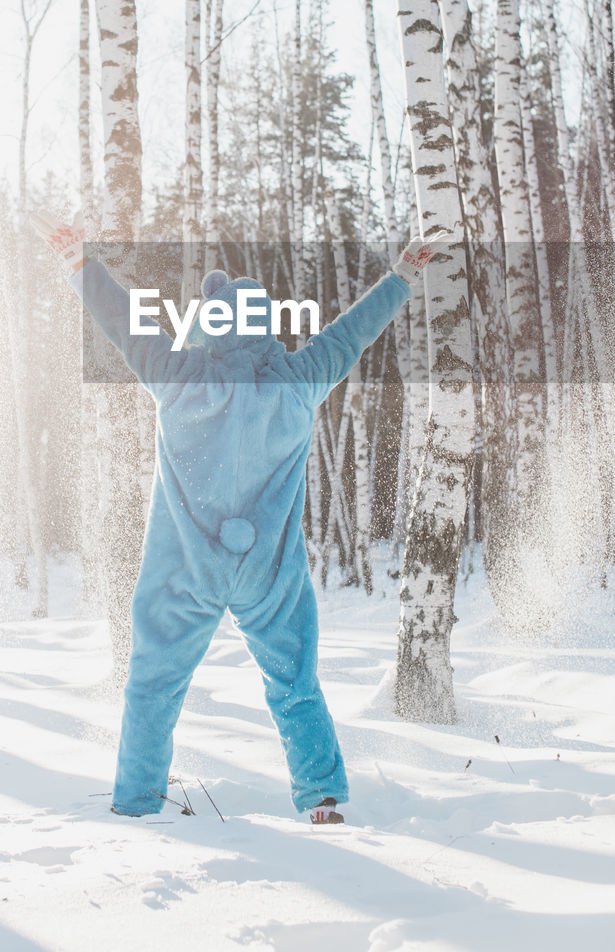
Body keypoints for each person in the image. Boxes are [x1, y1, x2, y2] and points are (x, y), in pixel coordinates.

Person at [32, 211, 444, 822]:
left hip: (184, 569)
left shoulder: (175, 375)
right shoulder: (298, 380)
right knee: (294, 683)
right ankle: (323, 798)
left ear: (206, 324)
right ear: (266, 327)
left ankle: (137, 805)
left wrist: (79, 264)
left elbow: (123, 322)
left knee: (153, 687)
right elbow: (351, 333)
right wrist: (402, 277)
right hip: (267, 571)